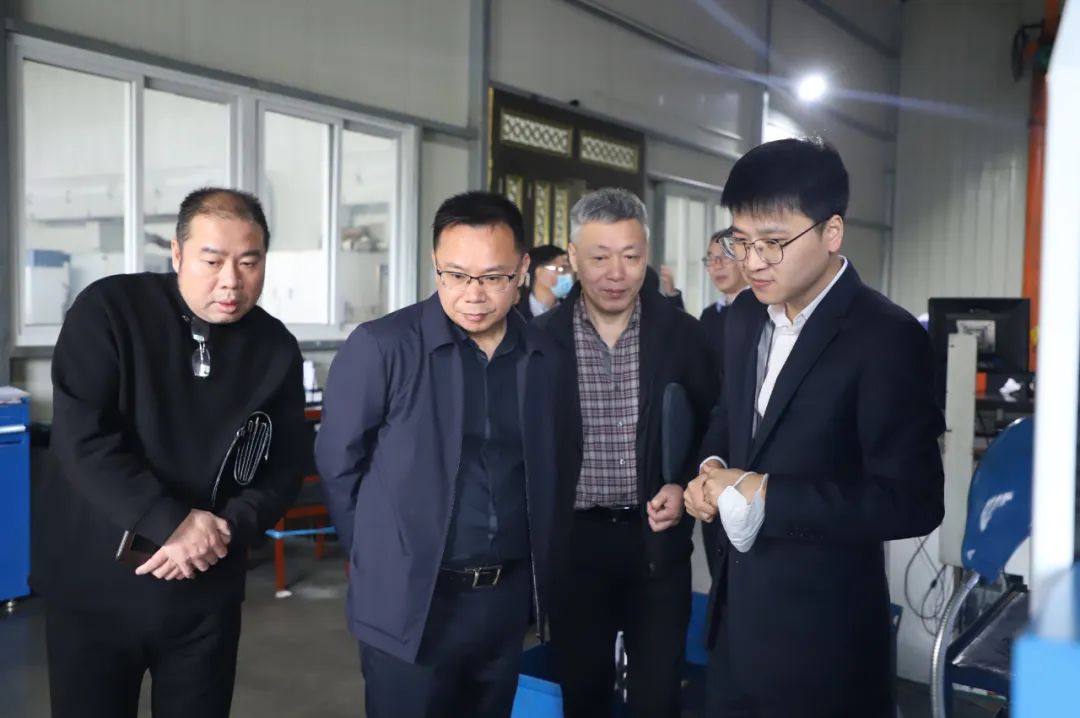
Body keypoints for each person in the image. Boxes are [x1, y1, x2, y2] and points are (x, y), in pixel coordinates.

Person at [683, 138, 945, 718]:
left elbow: (913, 501)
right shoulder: (744, 316)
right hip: (735, 630)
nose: (753, 262)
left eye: (773, 243)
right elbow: (730, 417)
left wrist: (766, 493)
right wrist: (711, 469)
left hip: (825, 647)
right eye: (740, 241)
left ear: (832, 232)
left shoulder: (886, 337)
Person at [33, 188, 311, 718]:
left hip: (205, 590)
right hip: (94, 587)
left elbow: (284, 466)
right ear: (178, 254)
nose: (231, 281)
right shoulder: (110, 310)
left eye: (249, 262)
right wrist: (172, 522)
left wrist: (223, 531)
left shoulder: (274, 347)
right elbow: (83, 439)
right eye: (213, 260)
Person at [315, 191, 559, 718]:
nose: (473, 294)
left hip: (504, 599)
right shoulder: (383, 347)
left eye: (493, 277)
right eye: (456, 275)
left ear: (522, 270)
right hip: (411, 603)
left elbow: (557, 465)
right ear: (435, 266)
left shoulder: (543, 356)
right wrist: (382, 556)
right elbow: (339, 463)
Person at [537, 188, 717, 717]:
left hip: (655, 541)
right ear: (574, 257)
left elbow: (714, 427)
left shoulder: (685, 337)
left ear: (647, 255)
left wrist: (684, 484)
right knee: (583, 693)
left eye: (631, 256)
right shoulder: (538, 342)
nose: (616, 273)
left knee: (657, 695)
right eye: (599, 258)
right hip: (573, 544)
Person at [697, 228, 750, 576]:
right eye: (710, 259)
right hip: (713, 442)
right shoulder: (709, 317)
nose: (716, 266)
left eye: (724, 258)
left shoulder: (761, 313)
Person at [517, 244, 573, 320]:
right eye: (559, 268)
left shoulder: (573, 311)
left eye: (567, 269)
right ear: (538, 271)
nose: (565, 274)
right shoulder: (516, 312)